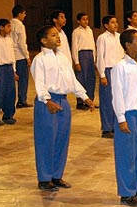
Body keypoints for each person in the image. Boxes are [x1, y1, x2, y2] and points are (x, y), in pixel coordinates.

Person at [31, 25, 95, 191]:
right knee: (46, 140)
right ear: (43, 40)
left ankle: (56, 175)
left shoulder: (63, 58)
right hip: (47, 103)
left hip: (63, 102)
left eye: (57, 34)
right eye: (53, 35)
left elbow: (72, 81)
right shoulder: (40, 59)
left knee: (61, 140)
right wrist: (47, 101)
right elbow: (39, 83)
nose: (57, 37)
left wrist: (85, 97)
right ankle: (44, 178)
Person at [111, 29, 137, 207]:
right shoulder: (120, 67)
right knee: (126, 154)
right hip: (128, 114)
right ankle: (127, 192)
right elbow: (117, 93)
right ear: (128, 45)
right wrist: (121, 117)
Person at [96, 15, 124, 138]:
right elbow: (100, 57)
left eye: (116, 22)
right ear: (106, 25)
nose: (115, 24)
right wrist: (102, 74)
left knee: (118, 98)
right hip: (108, 70)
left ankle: (116, 124)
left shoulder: (119, 37)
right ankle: (107, 128)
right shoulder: (102, 38)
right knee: (107, 100)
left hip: (119, 70)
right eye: (112, 22)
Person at [0, 19, 18, 125]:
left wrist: (14, 71)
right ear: (1, 27)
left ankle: (8, 115)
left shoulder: (10, 40)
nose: (10, 29)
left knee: (10, 92)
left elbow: (12, 56)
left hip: (9, 68)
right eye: (8, 26)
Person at [71, 12, 97, 110]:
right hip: (82, 54)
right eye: (83, 19)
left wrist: (94, 58)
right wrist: (76, 61)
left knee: (91, 78)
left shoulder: (90, 30)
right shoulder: (76, 31)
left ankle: (90, 100)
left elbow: (93, 44)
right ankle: (80, 101)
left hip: (90, 54)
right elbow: (74, 47)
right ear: (78, 21)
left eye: (87, 19)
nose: (86, 21)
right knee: (81, 78)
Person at [10, 5, 32, 108]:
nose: (25, 15)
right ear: (19, 14)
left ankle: (9, 101)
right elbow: (22, 43)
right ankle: (22, 100)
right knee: (23, 79)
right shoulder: (20, 25)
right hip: (20, 55)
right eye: (24, 13)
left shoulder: (9, 24)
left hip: (10, 55)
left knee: (11, 80)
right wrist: (27, 56)